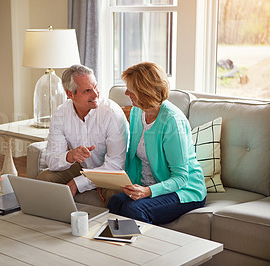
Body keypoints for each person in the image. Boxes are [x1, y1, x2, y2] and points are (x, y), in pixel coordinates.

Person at [107, 62, 207, 225]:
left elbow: (181, 177)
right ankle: (117, 248)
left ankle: (146, 249)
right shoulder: (137, 111)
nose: (126, 93)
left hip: (184, 191)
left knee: (134, 210)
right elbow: (134, 159)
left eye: (130, 89)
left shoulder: (172, 121)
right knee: (115, 202)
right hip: (149, 185)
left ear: (144, 91)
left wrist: (147, 191)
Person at [36, 64, 129, 206]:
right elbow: (51, 159)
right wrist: (70, 156)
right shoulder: (61, 113)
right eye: (87, 91)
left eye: (96, 87)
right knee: (45, 179)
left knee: (115, 195)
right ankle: (53, 225)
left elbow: (115, 165)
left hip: (111, 171)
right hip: (82, 166)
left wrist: (77, 183)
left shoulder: (111, 113)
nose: (95, 94)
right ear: (70, 94)